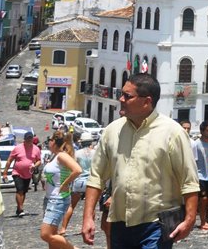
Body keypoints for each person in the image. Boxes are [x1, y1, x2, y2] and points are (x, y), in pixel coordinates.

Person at [81, 73, 201, 248]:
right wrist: (88, 217)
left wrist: (189, 220)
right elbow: (96, 176)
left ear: (146, 101)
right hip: (119, 225)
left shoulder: (173, 133)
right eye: (121, 94)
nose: (121, 99)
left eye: (127, 96)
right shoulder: (112, 131)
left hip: (156, 226)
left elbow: (189, 180)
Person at [39, 129, 84, 249]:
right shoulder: (54, 156)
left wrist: (65, 184)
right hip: (49, 198)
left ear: (54, 142)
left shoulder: (62, 155)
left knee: (46, 234)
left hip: (57, 199)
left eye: (50, 140)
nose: (48, 143)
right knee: (52, 237)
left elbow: (77, 170)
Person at [60, 132, 95, 233]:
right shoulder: (95, 153)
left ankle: (63, 228)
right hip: (91, 182)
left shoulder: (77, 153)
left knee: (71, 205)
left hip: (79, 182)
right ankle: (88, 227)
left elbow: (73, 167)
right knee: (90, 207)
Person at [4, 131, 40, 217]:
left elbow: (39, 160)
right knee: (19, 189)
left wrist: (34, 166)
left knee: (23, 192)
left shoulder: (36, 149)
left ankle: (19, 207)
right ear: (24, 139)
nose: (29, 140)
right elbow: (10, 160)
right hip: (17, 172)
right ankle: (21, 208)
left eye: (30, 138)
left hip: (28, 174)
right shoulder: (17, 148)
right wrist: (5, 172)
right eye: (28, 138)